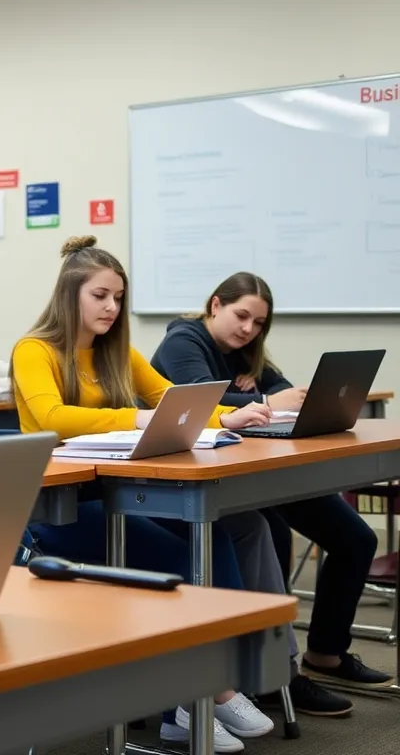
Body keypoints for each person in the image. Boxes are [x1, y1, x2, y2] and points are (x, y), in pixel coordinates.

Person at [11, 236, 291, 751]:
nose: (112, 308)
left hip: (118, 496)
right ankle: (206, 690)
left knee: (217, 539)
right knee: (176, 558)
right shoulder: (35, 350)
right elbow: (53, 418)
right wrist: (138, 416)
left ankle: (189, 700)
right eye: (100, 296)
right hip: (56, 512)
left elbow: (173, 399)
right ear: (70, 294)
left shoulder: (117, 352)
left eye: (118, 297)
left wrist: (228, 416)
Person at [152, 271, 390, 708]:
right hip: (199, 476)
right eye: (242, 316)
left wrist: (256, 395)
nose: (248, 329)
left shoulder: (245, 352)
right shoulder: (183, 341)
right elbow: (201, 400)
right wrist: (256, 401)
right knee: (271, 532)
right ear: (215, 305)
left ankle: (325, 652)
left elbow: (284, 392)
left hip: (258, 469)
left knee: (356, 539)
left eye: (259, 323)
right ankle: (274, 674)